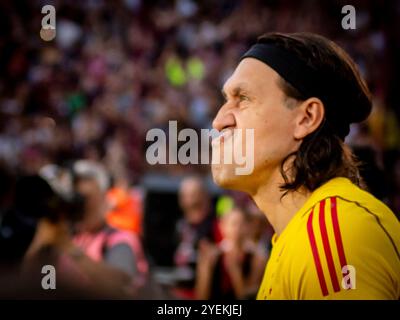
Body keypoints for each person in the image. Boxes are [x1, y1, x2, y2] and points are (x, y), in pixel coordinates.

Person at [210, 32, 400, 299]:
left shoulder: (337, 232)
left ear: (307, 118)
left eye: (243, 99)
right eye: (225, 99)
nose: (219, 121)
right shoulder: (300, 236)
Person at [72, 160, 148, 289]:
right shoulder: (75, 237)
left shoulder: (120, 241)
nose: (81, 206)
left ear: (103, 198)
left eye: (87, 198)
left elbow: (120, 287)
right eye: (77, 198)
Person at [195, 207, 266, 300]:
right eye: (233, 224)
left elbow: (248, 296)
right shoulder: (213, 256)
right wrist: (206, 269)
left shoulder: (257, 257)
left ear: (249, 227)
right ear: (222, 226)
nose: (237, 229)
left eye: (242, 224)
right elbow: (201, 295)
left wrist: (235, 271)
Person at [173, 175, 221, 299]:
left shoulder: (215, 226)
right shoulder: (181, 225)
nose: (188, 199)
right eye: (184, 195)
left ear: (204, 196)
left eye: (193, 194)